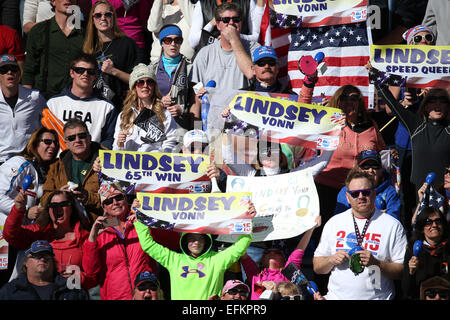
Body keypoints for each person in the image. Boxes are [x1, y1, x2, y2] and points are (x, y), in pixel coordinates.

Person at [313, 169, 407, 300]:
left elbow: (402, 271)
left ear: (374, 194)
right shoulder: (334, 223)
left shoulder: (392, 225)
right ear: (347, 197)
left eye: (366, 192)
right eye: (355, 193)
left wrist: (376, 263)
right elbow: (317, 267)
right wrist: (330, 260)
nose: (361, 196)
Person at [134, 201, 257, 300]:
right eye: (192, 239)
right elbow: (147, 245)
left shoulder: (217, 260)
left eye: (200, 239)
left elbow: (241, 245)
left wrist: (247, 220)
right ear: (184, 241)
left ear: (207, 241)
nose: (196, 242)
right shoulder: (173, 259)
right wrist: (140, 220)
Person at [82, 180, 180, 300]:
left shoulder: (140, 222)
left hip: (146, 295)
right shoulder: (100, 232)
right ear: (104, 207)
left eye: (118, 197)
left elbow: (173, 242)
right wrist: (92, 238)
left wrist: (146, 216)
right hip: (115, 296)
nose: (115, 203)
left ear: (125, 199)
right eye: (108, 201)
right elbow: (90, 273)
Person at [314, 85, 386, 229]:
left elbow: (381, 152)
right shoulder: (327, 123)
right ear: (336, 101)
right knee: (323, 232)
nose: (348, 102)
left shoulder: (371, 125)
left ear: (360, 102)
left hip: (358, 191)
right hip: (326, 189)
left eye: (354, 98)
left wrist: (390, 155)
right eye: (344, 98)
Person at [0, 127, 59, 286]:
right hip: (2, 235)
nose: (52, 146)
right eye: (47, 141)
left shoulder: (42, 171)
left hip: (20, 237)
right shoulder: (20, 163)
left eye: (55, 143)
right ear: (34, 143)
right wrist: (26, 211)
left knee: (11, 282)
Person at [4, 190, 95, 290]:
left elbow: (93, 278)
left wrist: (77, 278)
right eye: (53, 205)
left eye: (63, 204)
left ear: (71, 208)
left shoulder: (84, 237)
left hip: (71, 294)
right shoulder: (38, 233)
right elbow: (11, 235)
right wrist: (18, 209)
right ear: (48, 210)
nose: (58, 208)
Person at [376, 85, 450, 195]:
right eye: (432, 100)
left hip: (445, 194)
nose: (437, 104)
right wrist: (376, 78)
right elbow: (391, 102)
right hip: (418, 194)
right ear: (425, 106)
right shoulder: (416, 126)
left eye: (442, 100)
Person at [46, 53, 118, 150]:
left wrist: (96, 158)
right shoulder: (53, 103)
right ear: (72, 73)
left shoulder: (107, 107)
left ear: (96, 75)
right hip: (58, 160)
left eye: (91, 71)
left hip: (92, 162)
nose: (85, 74)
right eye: (80, 70)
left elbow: (109, 139)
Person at [41, 118, 105, 225]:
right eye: (71, 138)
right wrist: (59, 195)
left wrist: (87, 197)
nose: (77, 140)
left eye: (82, 136)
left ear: (89, 138)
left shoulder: (107, 161)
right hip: (67, 228)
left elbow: (118, 199)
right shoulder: (56, 166)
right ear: (66, 143)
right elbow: (44, 200)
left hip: (99, 226)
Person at [239, 217, 320, 300]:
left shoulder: (288, 274)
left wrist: (311, 228)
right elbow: (241, 250)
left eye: (277, 253)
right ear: (262, 261)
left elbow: (299, 251)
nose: (272, 254)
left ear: (283, 261)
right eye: (267, 253)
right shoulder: (255, 276)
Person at [189, 2, 260, 94]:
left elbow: (251, 74)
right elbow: (194, 86)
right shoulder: (205, 53)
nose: (231, 23)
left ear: (241, 23)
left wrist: (234, 40)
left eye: (236, 19)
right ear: (218, 25)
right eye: (226, 20)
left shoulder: (255, 48)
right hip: (213, 106)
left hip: (240, 106)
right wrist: (201, 95)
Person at [83, 0, 140, 111]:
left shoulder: (127, 44)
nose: (103, 18)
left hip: (122, 106)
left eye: (107, 14)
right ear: (92, 20)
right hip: (94, 106)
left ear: (113, 17)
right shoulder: (87, 48)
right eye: (98, 15)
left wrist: (114, 71)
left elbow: (138, 80)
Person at [22, 0, 85, 99]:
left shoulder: (86, 31)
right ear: (53, 1)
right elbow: (29, 70)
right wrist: (28, 100)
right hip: (45, 98)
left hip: (79, 98)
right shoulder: (39, 31)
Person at [113, 63, 178, 153]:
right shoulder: (124, 115)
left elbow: (170, 144)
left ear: (154, 86)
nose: (145, 85)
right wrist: (119, 144)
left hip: (154, 165)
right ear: (134, 87)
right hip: (128, 165)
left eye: (150, 82)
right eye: (140, 82)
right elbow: (116, 151)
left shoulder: (164, 114)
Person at [0, 240, 89, 300]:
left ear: (53, 262)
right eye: (37, 256)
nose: (42, 259)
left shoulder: (71, 290)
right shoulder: (10, 291)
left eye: (47, 255)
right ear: (26, 262)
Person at [0, 54, 46, 166]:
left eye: (14, 69)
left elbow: (48, 123)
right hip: (1, 160)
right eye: (4, 70)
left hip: (28, 159)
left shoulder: (34, 97)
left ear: (20, 74)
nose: (9, 72)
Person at [149, 24, 195, 132]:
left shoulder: (190, 67)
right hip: (156, 125)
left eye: (177, 40)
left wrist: (182, 108)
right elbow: (142, 97)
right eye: (168, 40)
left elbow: (197, 101)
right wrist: (158, 102)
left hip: (181, 127)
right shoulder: (152, 68)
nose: (173, 44)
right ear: (162, 43)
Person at [334, 149, 400, 220]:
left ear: (381, 169)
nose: (370, 170)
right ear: (358, 169)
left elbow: (393, 221)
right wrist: (378, 214)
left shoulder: (390, 192)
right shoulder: (346, 191)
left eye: (375, 166)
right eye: (366, 166)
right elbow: (340, 219)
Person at [402, 206, 449, 300]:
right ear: (422, 228)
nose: (434, 225)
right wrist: (411, 273)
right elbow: (406, 292)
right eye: (428, 222)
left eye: (438, 221)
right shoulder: (412, 250)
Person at [188, 0, 264, 52]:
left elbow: (256, 37)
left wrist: (234, 36)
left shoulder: (247, 2)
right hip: (211, 56)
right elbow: (193, 42)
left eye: (236, 19)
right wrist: (211, 24)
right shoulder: (202, 3)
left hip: (239, 54)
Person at [147, 0, 195, 64]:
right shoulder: (163, 8)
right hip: (158, 63)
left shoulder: (194, 9)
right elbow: (153, 27)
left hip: (185, 65)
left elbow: (194, 25)